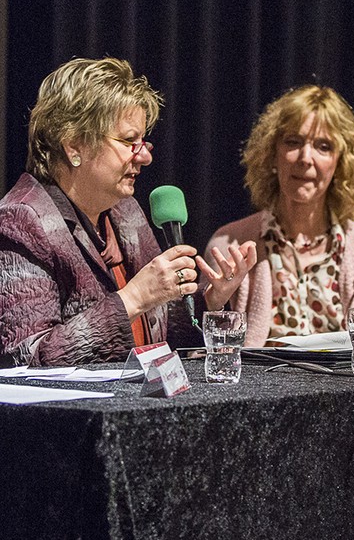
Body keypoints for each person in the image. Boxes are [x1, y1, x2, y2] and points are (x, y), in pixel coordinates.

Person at [0, 57, 257, 366]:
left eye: (142, 141)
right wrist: (132, 298)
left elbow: (158, 331)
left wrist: (208, 300)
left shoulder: (124, 211)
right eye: (128, 141)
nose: (144, 157)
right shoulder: (22, 220)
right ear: (73, 146)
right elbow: (25, 358)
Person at [204, 84, 354, 346]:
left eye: (323, 146)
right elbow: (211, 353)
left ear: (341, 162)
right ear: (272, 154)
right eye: (293, 142)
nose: (306, 158)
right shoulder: (230, 245)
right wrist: (215, 305)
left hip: (350, 385)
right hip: (261, 385)